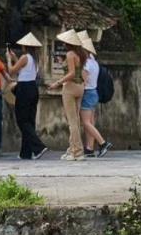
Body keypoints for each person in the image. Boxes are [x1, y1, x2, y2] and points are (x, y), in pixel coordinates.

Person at [46, 30, 87, 161]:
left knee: (72, 121)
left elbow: (71, 73)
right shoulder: (81, 54)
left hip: (70, 87)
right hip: (80, 87)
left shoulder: (70, 54)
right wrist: (61, 62)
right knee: (76, 120)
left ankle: (77, 152)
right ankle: (72, 149)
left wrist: (57, 83)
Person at [7, 32, 47, 160]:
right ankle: (26, 152)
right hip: (32, 88)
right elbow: (22, 69)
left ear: (25, 46)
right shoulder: (35, 58)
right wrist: (14, 58)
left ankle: (39, 147)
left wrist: (9, 60)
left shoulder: (25, 57)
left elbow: (12, 71)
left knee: (22, 120)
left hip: (24, 89)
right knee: (29, 121)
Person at [78, 31, 111, 158]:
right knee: (90, 122)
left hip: (88, 93)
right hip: (94, 92)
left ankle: (102, 143)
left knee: (86, 122)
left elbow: (84, 82)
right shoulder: (94, 62)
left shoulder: (86, 64)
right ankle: (89, 148)